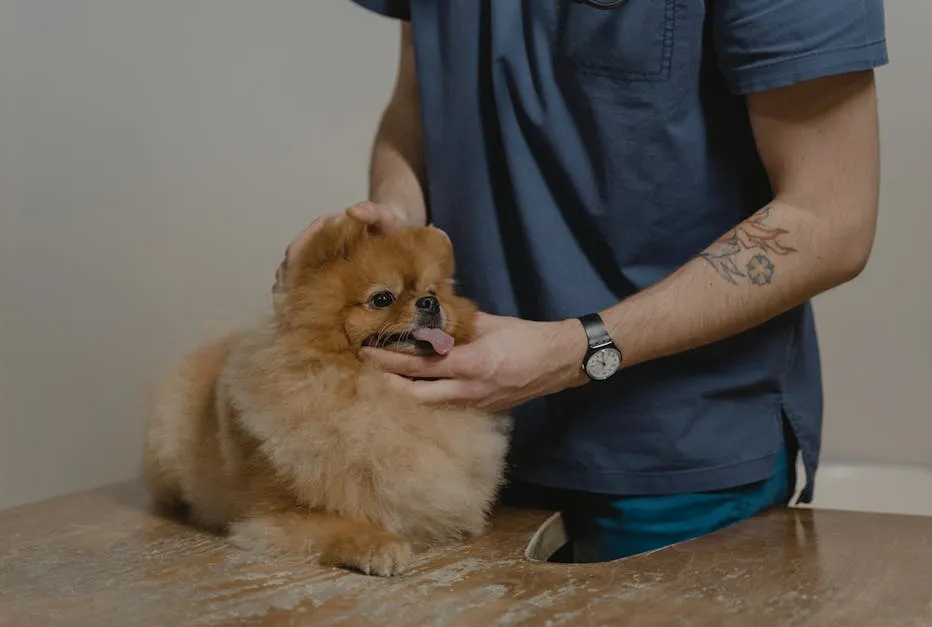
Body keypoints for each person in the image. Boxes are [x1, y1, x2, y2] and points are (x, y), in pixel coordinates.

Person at [274, 0, 887, 563]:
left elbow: (829, 220)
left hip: (674, 463)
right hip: (456, 443)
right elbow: (415, 100)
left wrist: (576, 350)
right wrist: (394, 225)